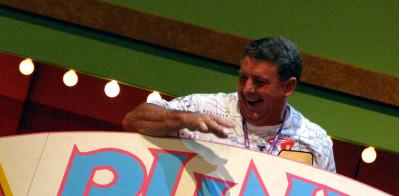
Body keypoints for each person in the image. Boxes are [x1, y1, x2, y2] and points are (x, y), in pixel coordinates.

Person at [122, 36, 336, 172]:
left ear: (288, 87)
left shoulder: (314, 141)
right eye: (243, 78)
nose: (247, 89)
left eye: (259, 82)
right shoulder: (202, 108)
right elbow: (132, 121)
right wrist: (182, 120)